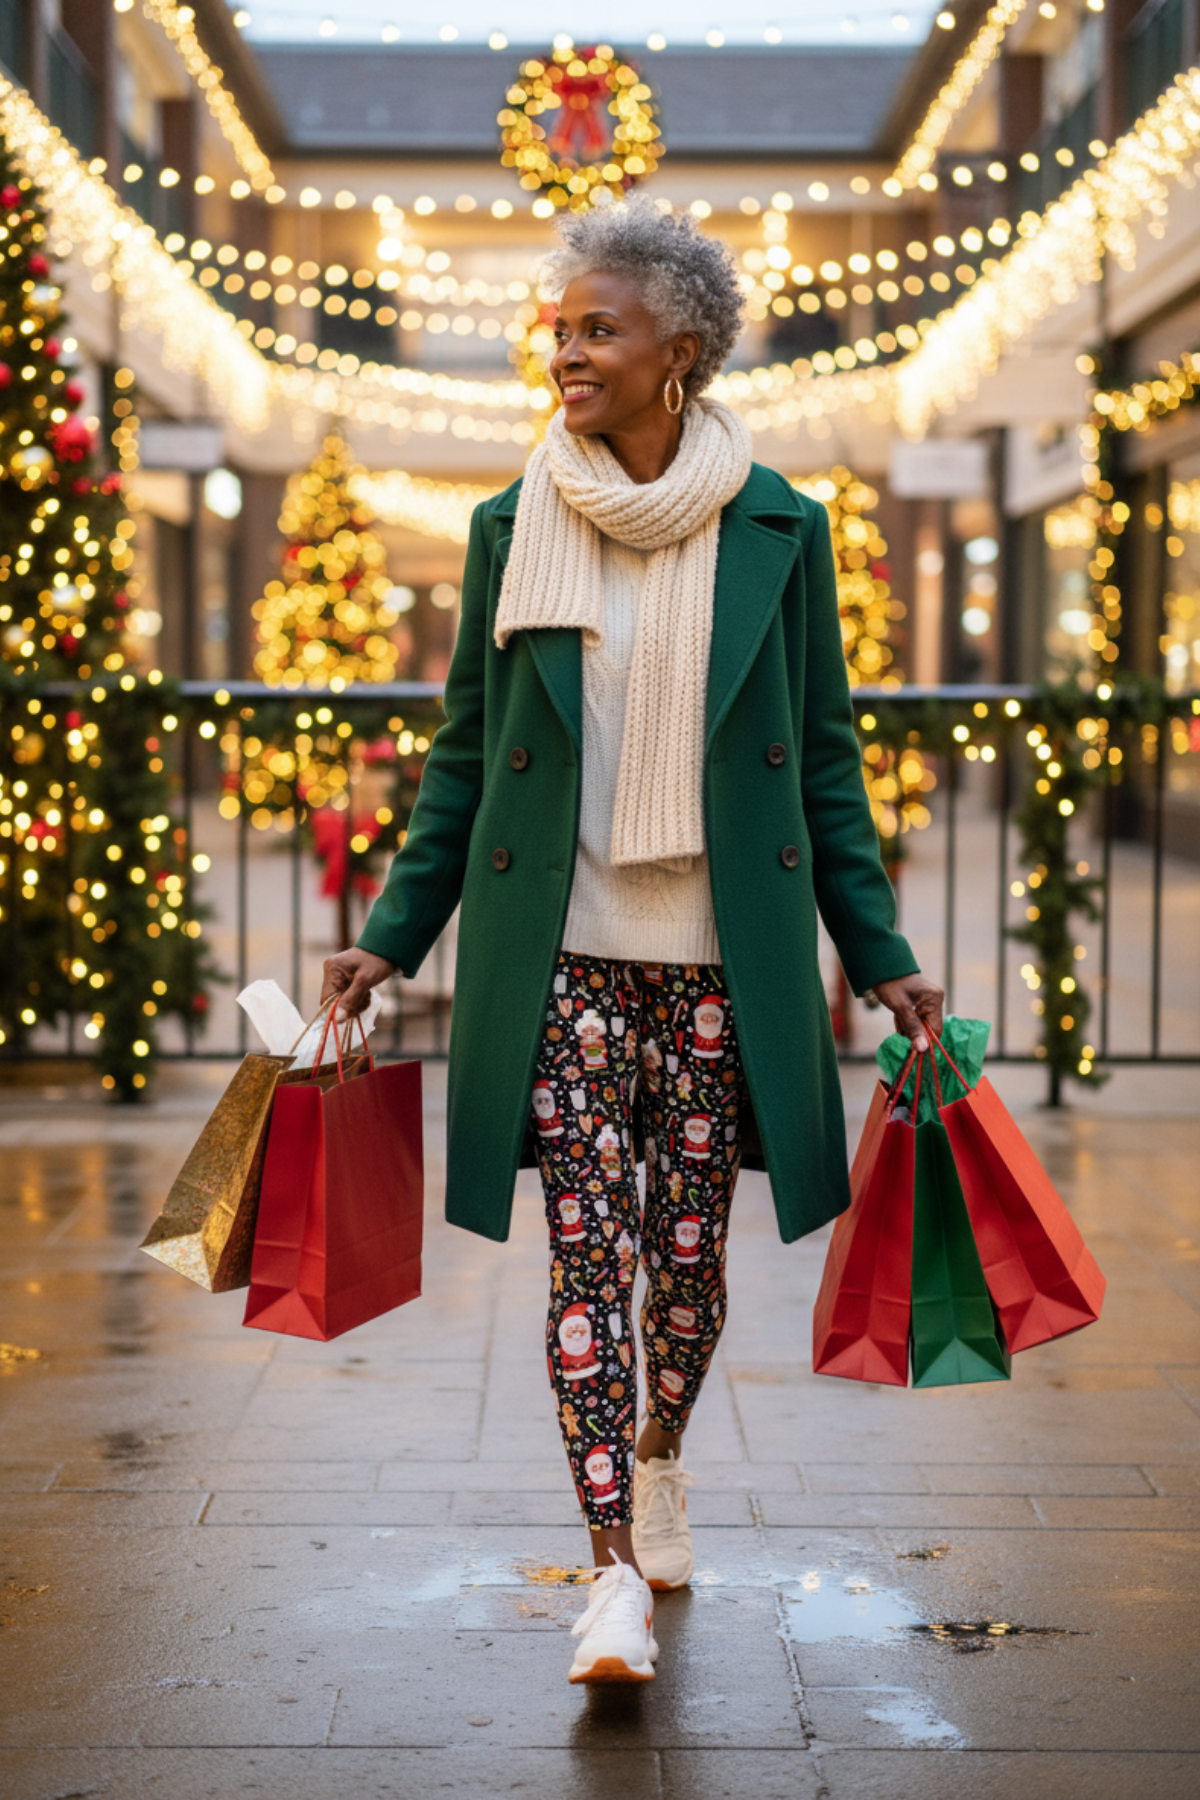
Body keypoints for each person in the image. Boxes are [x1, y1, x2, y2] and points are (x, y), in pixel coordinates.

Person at [321, 197, 943, 1686]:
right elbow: (467, 761)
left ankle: (660, 1454)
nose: (566, 354)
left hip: (725, 966)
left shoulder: (780, 530)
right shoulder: (507, 527)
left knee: (688, 1261)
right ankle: (607, 1572)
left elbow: (826, 761)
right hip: (565, 960)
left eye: (598, 330)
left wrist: (880, 944)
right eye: (559, 329)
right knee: (586, 1257)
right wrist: (392, 937)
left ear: (682, 350)